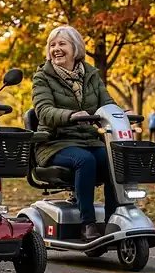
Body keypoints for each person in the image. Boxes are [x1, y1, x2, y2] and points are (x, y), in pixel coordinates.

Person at [31, 25, 121, 242]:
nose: (56, 49)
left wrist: (121, 112)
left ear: (76, 48)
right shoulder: (42, 76)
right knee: (85, 160)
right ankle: (87, 223)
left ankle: (113, 221)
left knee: (114, 159)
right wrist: (70, 115)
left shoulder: (90, 74)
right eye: (52, 45)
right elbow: (43, 110)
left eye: (62, 44)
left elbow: (107, 102)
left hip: (88, 139)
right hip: (55, 142)